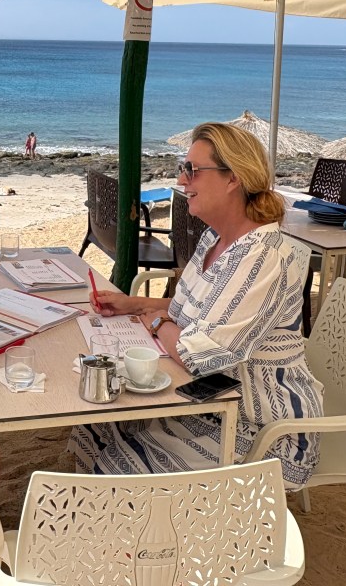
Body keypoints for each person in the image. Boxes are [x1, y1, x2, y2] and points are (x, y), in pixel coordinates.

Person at [69, 123, 324, 490]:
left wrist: (154, 323)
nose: (182, 179)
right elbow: (195, 304)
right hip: (210, 396)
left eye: (192, 170)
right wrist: (135, 304)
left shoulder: (263, 257)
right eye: (182, 167)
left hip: (261, 424)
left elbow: (195, 356)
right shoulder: (215, 238)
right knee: (96, 422)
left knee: (116, 462)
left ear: (233, 178)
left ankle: (142, 535)